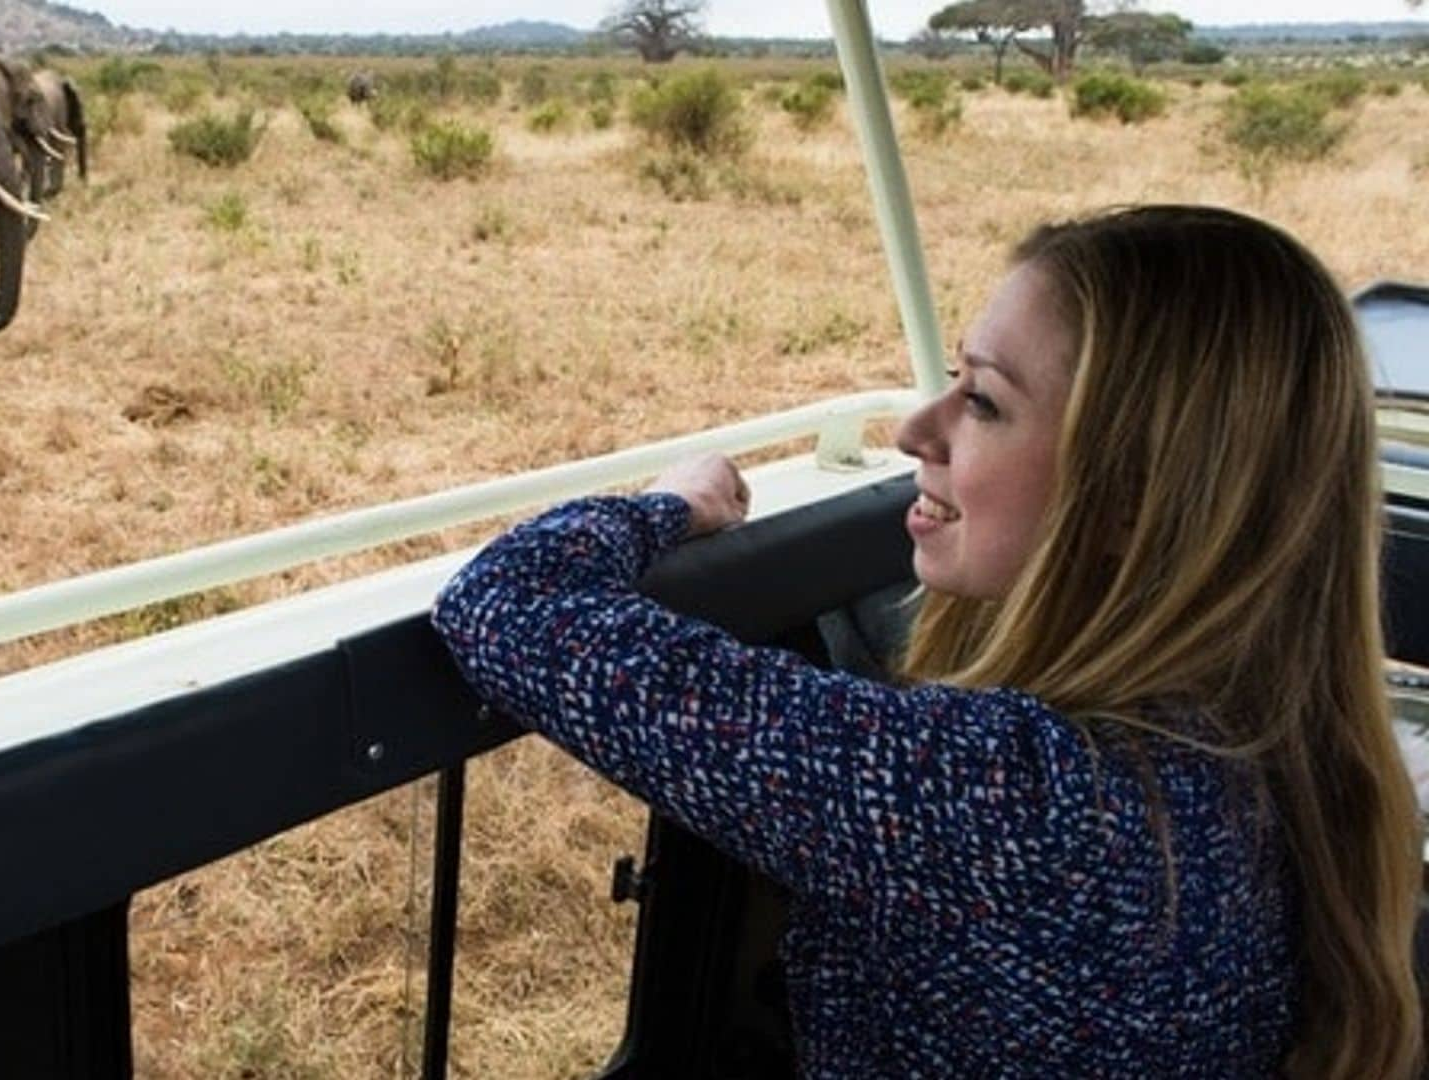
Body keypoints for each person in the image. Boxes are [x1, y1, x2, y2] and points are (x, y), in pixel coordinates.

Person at [431, 205, 1422, 1078]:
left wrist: (667, 508)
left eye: (983, 401)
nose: (916, 428)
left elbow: (503, 603)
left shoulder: (1024, 801)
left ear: (1131, 498)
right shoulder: (1263, 737)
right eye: (951, 381)